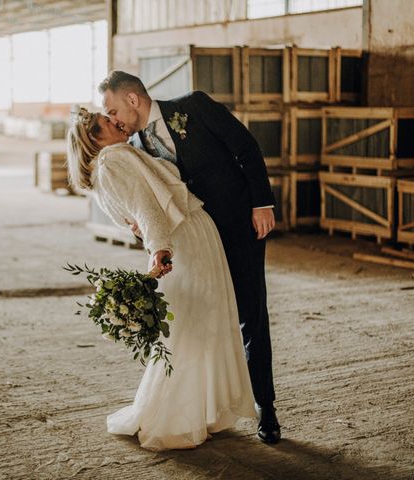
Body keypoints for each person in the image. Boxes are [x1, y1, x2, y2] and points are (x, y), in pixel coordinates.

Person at [99, 71, 281, 444]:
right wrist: (138, 226)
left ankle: (267, 408)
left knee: (251, 313)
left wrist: (262, 202)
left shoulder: (193, 106)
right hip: (195, 241)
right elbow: (146, 195)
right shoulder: (132, 145)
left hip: (238, 224)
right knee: (200, 319)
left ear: (133, 99)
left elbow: (245, 147)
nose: (113, 118)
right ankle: (207, 407)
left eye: (113, 108)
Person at [67, 107, 256, 451]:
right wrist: (160, 249)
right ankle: (174, 418)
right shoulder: (114, 158)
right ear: (96, 137)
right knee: (191, 326)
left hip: (187, 234)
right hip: (183, 237)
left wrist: (155, 242)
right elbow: (144, 207)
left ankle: (198, 410)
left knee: (195, 322)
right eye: (108, 122)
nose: (117, 122)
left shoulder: (108, 165)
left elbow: (135, 212)